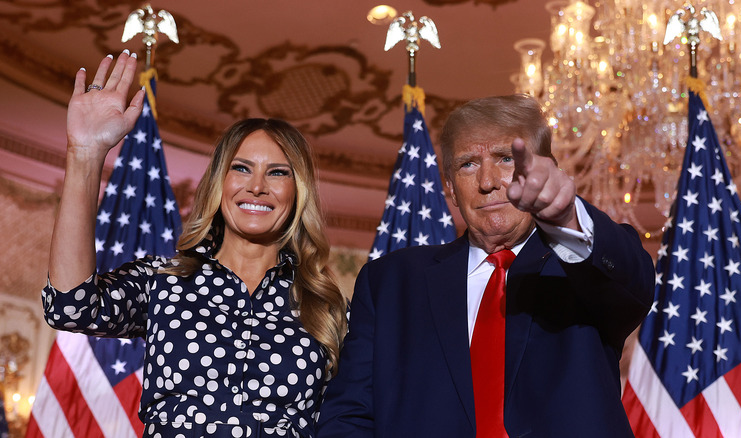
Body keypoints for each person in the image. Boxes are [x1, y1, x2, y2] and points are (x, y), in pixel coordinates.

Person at [43, 50, 348, 437]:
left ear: (297, 192)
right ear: (220, 182)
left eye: (277, 173)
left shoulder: (329, 310)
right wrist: (85, 154)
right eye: (241, 168)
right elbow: (70, 307)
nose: (256, 186)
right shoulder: (163, 281)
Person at [315, 94, 655, 437]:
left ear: (546, 170)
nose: (488, 182)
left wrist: (566, 215)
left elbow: (634, 282)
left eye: (506, 159)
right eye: (468, 164)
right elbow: (348, 415)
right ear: (449, 186)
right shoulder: (391, 283)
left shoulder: (581, 264)